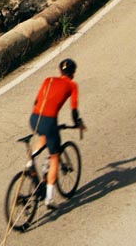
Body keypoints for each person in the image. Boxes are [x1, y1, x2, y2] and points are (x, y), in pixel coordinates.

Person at [30, 58, 85, 208]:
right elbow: (74, 111)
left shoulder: (48, 80)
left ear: (60, 71)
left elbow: (37, 101)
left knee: (44, 135)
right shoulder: (72, 85)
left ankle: (31, 160)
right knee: (55, 156)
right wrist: (78, 124)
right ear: (73, 73)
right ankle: (49, 198)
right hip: (49, 122)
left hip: (34, 118)